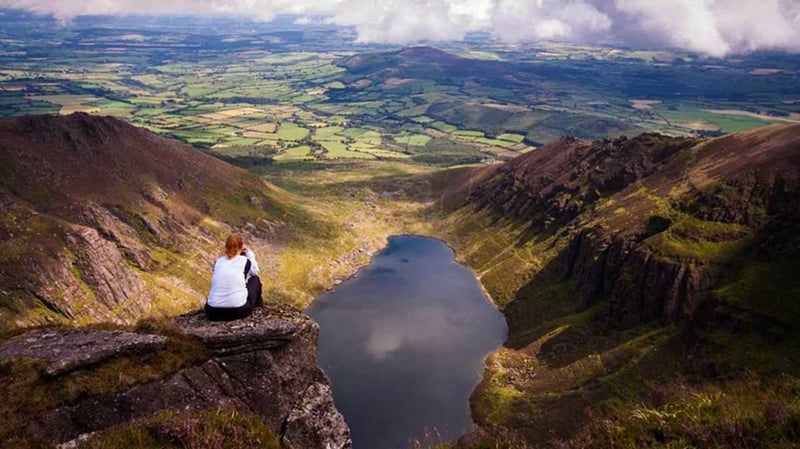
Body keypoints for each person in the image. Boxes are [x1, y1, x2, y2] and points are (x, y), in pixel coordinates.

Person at [205, 233, 263, 321]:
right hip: (237, 311)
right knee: (255, 280)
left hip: (212, 312)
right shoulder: (245, 261)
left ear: (226, 247)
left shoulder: (218, 262)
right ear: (241, 247)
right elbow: (255, 272)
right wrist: (250, 254)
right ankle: (259, 307)